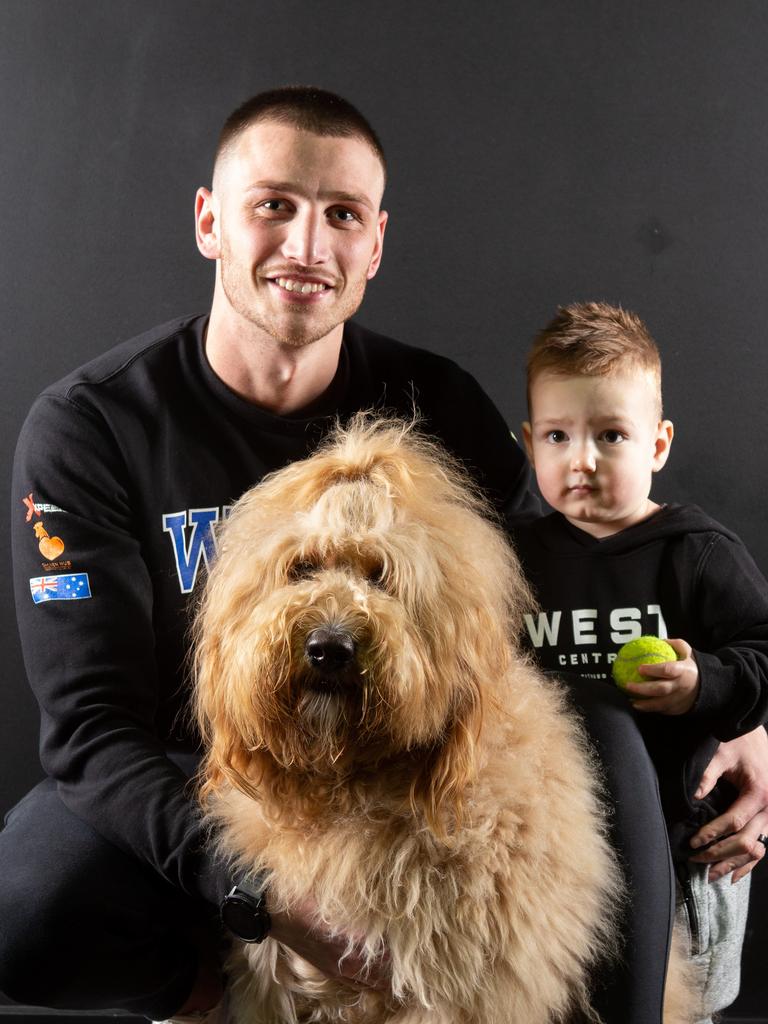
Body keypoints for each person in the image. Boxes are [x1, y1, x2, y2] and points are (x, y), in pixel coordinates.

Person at [0, 88, 764, 1024]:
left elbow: (578, 581)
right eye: (274, 204)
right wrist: (254, 892)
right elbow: (89, 730)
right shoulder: (91, 428)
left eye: (343, 215)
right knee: (27, 904)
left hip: (409, 771)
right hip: (209, 781)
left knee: (604, 735)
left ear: (376, 245)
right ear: (209, 222)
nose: (309, 247)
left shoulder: (437, 403)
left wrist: (737, 711)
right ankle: (210, 1001)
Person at [513, 300, 768, 1024]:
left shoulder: (696, 553)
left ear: (657, 444)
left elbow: (763, 648)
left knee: (681, 1006)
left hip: (686, 847)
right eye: (558, 435)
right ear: (529, 442)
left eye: (611, 435)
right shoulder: (515, 558)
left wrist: (703, 686)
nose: (581, 460)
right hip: (555, 853)